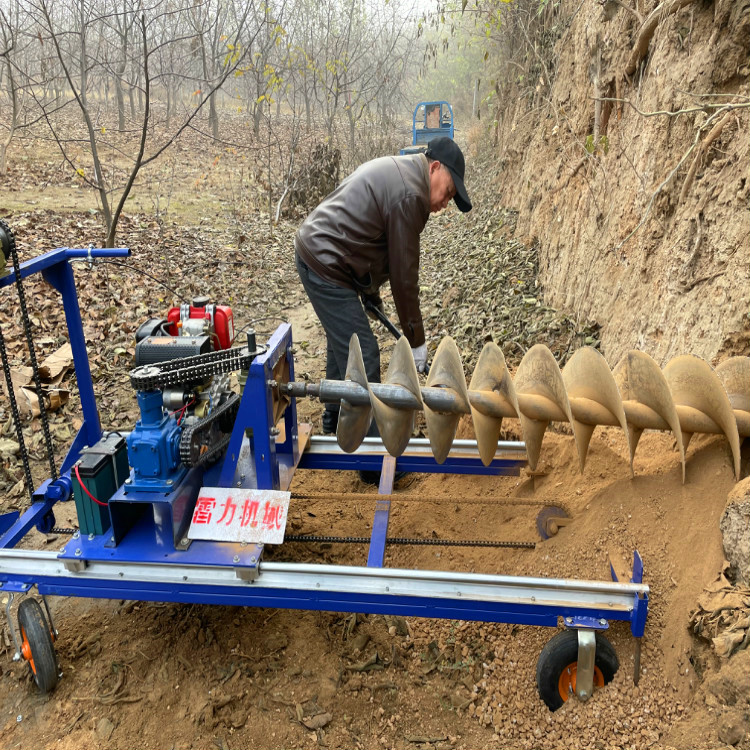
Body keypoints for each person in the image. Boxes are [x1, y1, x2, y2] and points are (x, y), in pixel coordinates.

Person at [294, 136, 472, 481]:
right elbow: (405, 277)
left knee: (346, 346)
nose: (445, 203)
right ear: (434, 168)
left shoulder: (407, 178)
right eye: (448, 192)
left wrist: (370, 293)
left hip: (328, 257)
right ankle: (371, 462)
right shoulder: (411, 195)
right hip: (324, 262)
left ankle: (334, 421)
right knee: (366, 354)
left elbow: (376, 242)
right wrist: (416, 340)